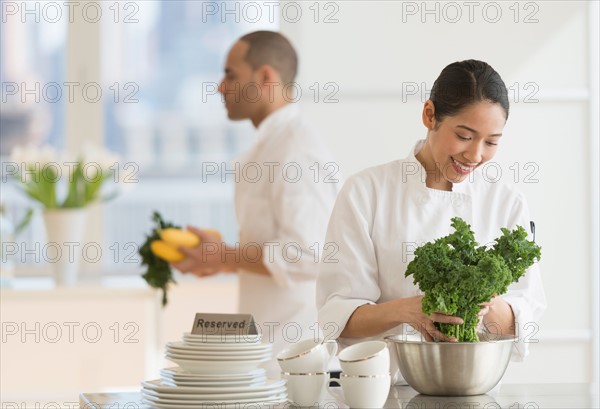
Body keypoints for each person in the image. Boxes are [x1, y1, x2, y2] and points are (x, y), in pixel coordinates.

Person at [316, 60, 546, 383]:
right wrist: (409, 310)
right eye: (464, 136)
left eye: (491, 142)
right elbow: (336, 317)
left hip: (476, 388)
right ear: (429, 115)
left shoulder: (506, 202)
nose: (475, 155)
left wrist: (483, 302)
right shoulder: (365, 192)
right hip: (382, 392)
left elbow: (524, 319)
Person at [173, 31, 341, 376]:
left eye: (230, 74)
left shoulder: (296, 149)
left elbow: (309, 253)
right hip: (269, 356)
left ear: (265, 77)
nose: (220, 87)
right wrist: (226, 261)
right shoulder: (274, 144)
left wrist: (224, 256)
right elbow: (279, 251)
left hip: (295, 362)